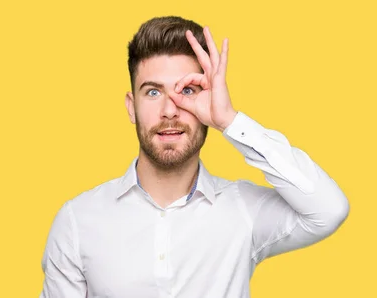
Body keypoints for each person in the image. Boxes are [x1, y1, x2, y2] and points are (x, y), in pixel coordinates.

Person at [39, 16, 349, 298]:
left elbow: (328, 210)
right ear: (131, 106)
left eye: (186, 91)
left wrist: (230, 120)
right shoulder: (77, 221)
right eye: (153, 92)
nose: (170, 110)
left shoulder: (243, 210)